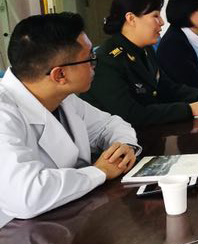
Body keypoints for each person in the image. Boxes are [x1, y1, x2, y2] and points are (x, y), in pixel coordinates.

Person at [0, 13, 139, 227]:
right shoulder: (4, 112)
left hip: (67, 217)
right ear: (60, 75)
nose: (95, 64)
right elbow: (28, 195)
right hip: (15, 234)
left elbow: (110, 125)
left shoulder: (63, 97)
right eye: (90, 58)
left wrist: (123, 147)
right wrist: (100, 172)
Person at [82, 0, 198, 126]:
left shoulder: (146, 49)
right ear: (131, 19)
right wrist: (189, 109)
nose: (162, 22)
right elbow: (131, 114)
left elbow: (166, 87)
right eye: (155, 16)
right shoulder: (107, 60)